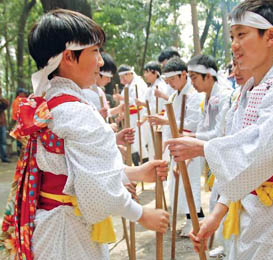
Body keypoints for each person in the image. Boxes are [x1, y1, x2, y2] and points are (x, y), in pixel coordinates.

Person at [0, 9, 169, 260]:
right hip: (70, 235)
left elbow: (72, 171)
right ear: (68, 57)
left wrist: (133, 173)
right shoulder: (78, 112)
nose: (101, 62)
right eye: (95, 52)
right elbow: (95, 188)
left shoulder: (51, 103)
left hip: (49, 226)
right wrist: (142, 215)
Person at [166, 1, 273, 259]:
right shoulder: (244, 93)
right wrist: (216, 215)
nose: (234, 45)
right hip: (250, 209)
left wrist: (204, 147)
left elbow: (261, 151)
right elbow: (240, 169)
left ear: (271, 36)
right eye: (231, 36)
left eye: (241, 34)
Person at [147, 56, 204, 237]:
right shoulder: (174, 95)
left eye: (173, 79)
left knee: (191, 182)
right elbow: (170, 116)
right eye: (168, 80)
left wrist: (166, 120)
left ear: (183, 75)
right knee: (179, 184)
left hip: (190, 144)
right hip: (176, 146)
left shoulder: (194, 96)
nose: (170, 84)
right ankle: (192, 218)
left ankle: (195, 220)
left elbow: (192, 124)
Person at [116, 64, 149, 165]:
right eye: (121, 77)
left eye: (124, 76)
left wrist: (122, 99)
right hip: (131, 117)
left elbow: (137, 101)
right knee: (133, 142)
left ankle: (144, 163)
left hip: (139, 115)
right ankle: (138, 163)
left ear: (130, 74)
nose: (122, 80)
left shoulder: (137, 84)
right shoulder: (127, 85)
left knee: (140, 141)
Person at [0, 87, 10, 163]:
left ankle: (4, 157)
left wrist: (0, 98)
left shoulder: (2, 102)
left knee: (3, 141)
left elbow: (7, 104)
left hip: (2, 124)